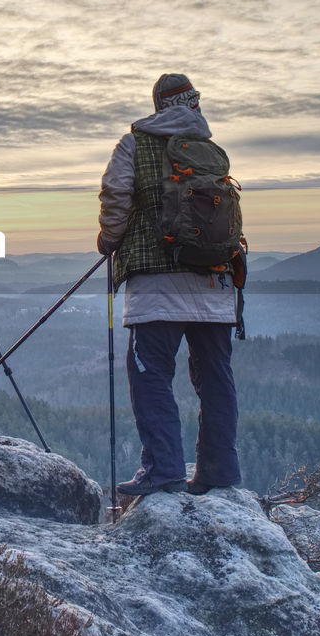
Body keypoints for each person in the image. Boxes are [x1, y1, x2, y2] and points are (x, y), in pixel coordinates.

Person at [96, 73, 242, 496]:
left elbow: (116, 196)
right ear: (194, 104)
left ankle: (163, 471)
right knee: (215, 378)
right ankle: (219, 471)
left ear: (157, 106)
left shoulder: (134, 144)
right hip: (215, 283)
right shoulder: (211, 151)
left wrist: (108, 240)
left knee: (151, 375)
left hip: (156, 286)